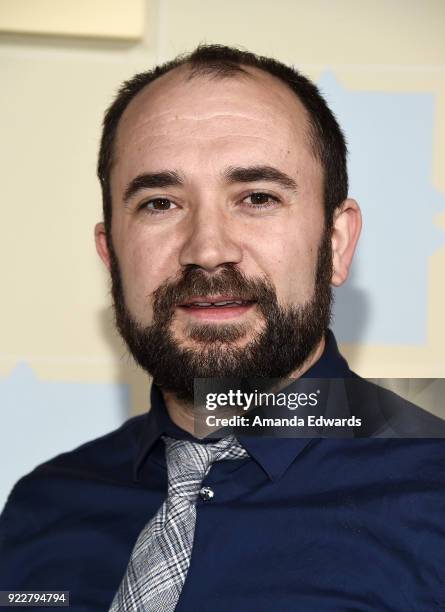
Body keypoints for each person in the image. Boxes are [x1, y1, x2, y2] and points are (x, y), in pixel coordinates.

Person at [1, 44, 445, 611]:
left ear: (335, 243)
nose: (208, 249)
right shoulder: (42, 506)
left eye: (258, 198)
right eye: (160, 203)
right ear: (111, 253)